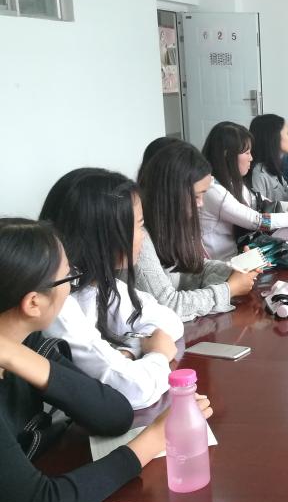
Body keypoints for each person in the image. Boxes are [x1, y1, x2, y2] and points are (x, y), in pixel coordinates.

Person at [0, 218, 211, 502]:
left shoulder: (26, 345)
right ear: (32, 303)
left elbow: (112, 414)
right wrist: (151, 441)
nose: (72, 287)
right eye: (68, 279)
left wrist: (16, 355)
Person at [39, 169, 183, 409]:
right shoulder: (57, 301)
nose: (143, 237)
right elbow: (133, 391)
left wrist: (128, 351)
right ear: (101, 233)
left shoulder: (94, 282)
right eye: (139, 226)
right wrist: (157, 354)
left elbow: (169, 321)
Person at [136, 140, 259, 321]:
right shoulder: (139, 237)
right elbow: (168, 305)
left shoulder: (173, 223)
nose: (200, 204)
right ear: (171, 194)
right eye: (196, 196)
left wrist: (235, 268)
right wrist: (229, 289)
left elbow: (194, 268)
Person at [201, 121, 288, 261]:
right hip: (224, 264)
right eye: (247, 153)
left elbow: (269, 204)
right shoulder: (213, 190)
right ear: (227, 155)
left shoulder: (233, 182)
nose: (251, 158)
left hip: (241, 257)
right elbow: (258, 221)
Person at [249, 113, 288, 202]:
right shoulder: (259, 173)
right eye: (287, 133)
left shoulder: (274, 165)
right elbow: (260, 208)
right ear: (274, 137)